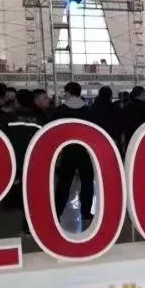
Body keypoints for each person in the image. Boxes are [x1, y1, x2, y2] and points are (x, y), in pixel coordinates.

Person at [50, 82, 95, 228]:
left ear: (68, 92)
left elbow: (53, 132)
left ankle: (57, 212)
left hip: (67, 150)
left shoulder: (59, 111)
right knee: (87, 183)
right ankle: (86, 214)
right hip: (84, 150)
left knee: (64, 183)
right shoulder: (88, 110)